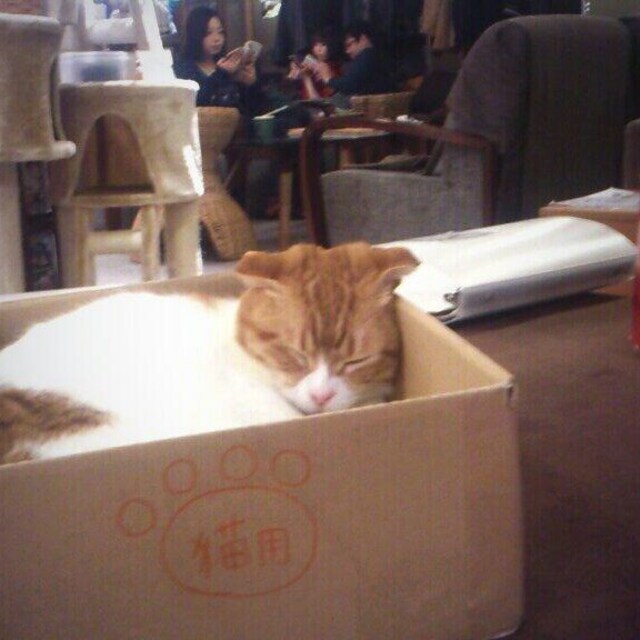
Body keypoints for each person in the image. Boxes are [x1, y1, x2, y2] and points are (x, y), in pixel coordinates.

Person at [173, 6, 265, 116]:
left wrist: (251, 84)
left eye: (220, 32)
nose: (217, 38)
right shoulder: (183, 69)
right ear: (195, 35)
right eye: (208, 33)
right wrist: (221, 73)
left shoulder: (230, 65)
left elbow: (253, 111)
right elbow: (195, 104)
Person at [316, 21, 396, 101]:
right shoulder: (375, 56)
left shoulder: (367, 55)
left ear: (363, 39)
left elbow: (349, 85)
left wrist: (328, 78)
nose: (347, 51)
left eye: (349, 44)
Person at [287, 29, 342, 100]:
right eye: (315, 45)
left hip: (321, 102)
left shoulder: (334, 67)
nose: (319, 49)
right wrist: (295, 71)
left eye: (323, 45)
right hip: (304, 100)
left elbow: (323, 99)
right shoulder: (308, 61)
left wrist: (307, 77)